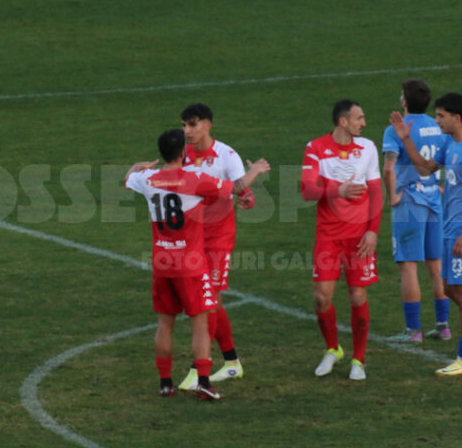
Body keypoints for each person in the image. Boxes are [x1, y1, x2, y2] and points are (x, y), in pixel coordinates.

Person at [125, 128, 269, 400]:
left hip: (162, 263)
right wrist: (256, 170)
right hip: (190, 265)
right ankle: (203, 381)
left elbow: (128, 178)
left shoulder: (147, 178)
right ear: (183, 152)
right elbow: (236, 188)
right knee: (201, 323)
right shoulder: (194, 179)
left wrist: (137, 166)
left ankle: (165, 383)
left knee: (164, 325)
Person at [389, 92, 462, 376]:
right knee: (450, 289)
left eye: (441, 116)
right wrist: (406, 139)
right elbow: (424, 169)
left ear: (457, 117)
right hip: (449, 229)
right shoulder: (449, 143)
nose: (437, 121)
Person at [176, 103, 255, 392]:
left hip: (219, 238)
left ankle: (199, 369)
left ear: (207, 125)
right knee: (213, 302)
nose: (187, 131)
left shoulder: (226, 155)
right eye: (184, 125)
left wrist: (247, 199)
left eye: (193, 125)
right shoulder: (182, 155)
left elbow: (244, 190)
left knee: (207, 302)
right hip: (191, 237)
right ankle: (232, 362)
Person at [301, 99, 383, 381]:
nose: (364, 123)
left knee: (358, 296)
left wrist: (373, 231)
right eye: (359, 118)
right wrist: (339, 190)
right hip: (328, 235)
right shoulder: (316, 148)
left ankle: (358, 359)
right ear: (343, 121)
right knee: (321, 297)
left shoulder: (367, 148)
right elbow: (307, 190)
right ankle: (333, 349)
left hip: (359, 236)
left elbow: (376, 192)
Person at [381, 79, 452, 344]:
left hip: (410, 202)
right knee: (436, 265)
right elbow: (450, 159)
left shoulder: (397, 129)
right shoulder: (438, 126)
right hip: (434, 199)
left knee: (408, 266)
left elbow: (389, 168)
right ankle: (443, 326)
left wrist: (392, 196)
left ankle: (413, 331)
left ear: (405, 101)